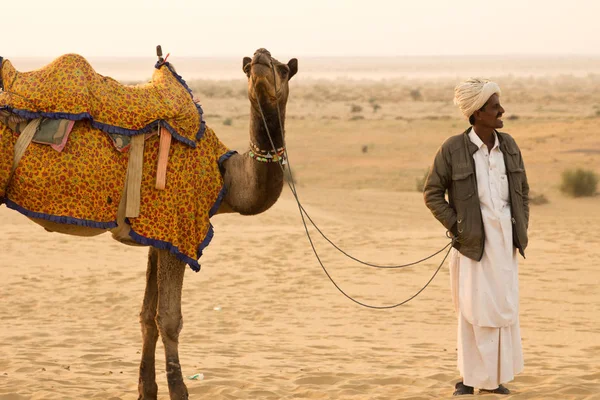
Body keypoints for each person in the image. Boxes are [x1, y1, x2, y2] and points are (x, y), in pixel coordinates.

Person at [423, 78, 529, 395]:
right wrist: (458, 226)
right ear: (478, 113)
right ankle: (470, 380)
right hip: (472, 247)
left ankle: (494, 380)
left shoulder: (508, 145)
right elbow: (432, 194)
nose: (501, 111)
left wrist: (521, 224)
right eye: (495, 107)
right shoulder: (452, 149)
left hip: (505, 244)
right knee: (473, 312)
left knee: (502, 310)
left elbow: (522, 192)